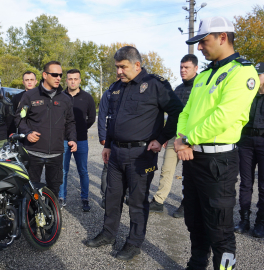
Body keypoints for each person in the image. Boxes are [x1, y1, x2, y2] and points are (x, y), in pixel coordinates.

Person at [174, 16, 260, 270]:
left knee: (220, 229)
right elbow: (186, 112)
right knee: (195, 221)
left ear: (223, 37)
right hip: (192, 157)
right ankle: (197, 264)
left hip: (217, 162)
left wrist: (188, 139)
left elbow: (225, 116)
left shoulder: (242, 72)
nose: (199, 47)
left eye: (204, 41)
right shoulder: (204, 76)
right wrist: (182, 140)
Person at [85, 46, 183, 261]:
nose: (119, 72)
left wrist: (162, 138)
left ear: (137, 65)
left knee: (137, 202)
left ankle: (134, 243)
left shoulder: (155, 85)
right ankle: (108, 234)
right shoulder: (117, 88)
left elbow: (177, 111)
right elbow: (112, 118)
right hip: (117, 152)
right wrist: (108, 145)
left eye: (123, 67)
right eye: (117, 67)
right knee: (112, 197)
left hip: (141, 153)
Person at [234, 62, 264, 238]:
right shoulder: (248, 95)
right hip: (246, 141)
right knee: (245, 184)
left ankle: (260, 222)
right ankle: (244, 220)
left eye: (259, 74)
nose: (255, 77)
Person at [15, 61, 77, 198]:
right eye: (54, 74)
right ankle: (30, 217)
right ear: (44, 75)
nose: (58, 78)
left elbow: (70, 122)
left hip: (55, 154)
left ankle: (51, 217)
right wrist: (27, 133)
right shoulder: (30, 96)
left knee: (53, 191)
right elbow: (19, 118)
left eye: (60, 75)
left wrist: (72, 139)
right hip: (33, 152)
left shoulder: (66, 99)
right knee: (30, 191)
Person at [149, 54, 198, 218]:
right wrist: (163, 138)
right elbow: (172, 118)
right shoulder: (177, 89)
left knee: (189, 173)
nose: (183, 70)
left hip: (192, 138)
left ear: (196, 68)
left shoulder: (201, 87)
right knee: (167, 169)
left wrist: (189, 140)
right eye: (181, 67)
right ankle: (158, 201)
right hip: (174, 137)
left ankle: (187, 203)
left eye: (187, 67)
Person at [58, 69, 96, 211]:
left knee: (83, 171)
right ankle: (62, 198)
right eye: (70, 79)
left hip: (81, 140)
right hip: (63, 140)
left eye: (75, 78)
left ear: (80, 80)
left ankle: (85, 198)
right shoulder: (60, 97)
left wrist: (80, 129)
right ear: (66, 80)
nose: (73, 81)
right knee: (63, 170)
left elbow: (91, 118)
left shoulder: (87, 98)